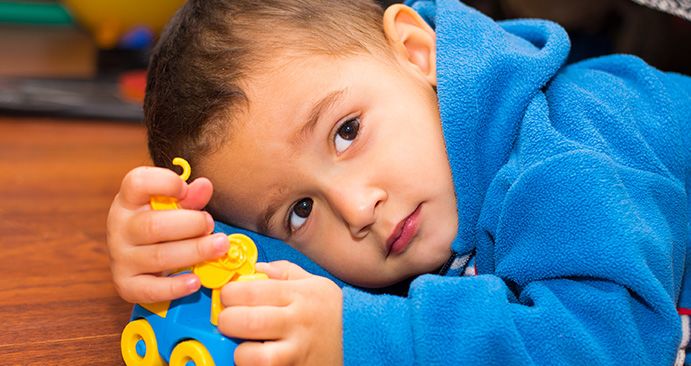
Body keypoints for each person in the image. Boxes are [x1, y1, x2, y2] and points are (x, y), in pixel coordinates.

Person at [106, 0, 691, 364]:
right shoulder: (420, 176)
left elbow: (611, 343)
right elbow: (293, 288)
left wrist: (370, 338)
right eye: (301, 210)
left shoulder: (566, 154)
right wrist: (179, 252)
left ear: (417, 52)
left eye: (346, 132)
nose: (358, 208)